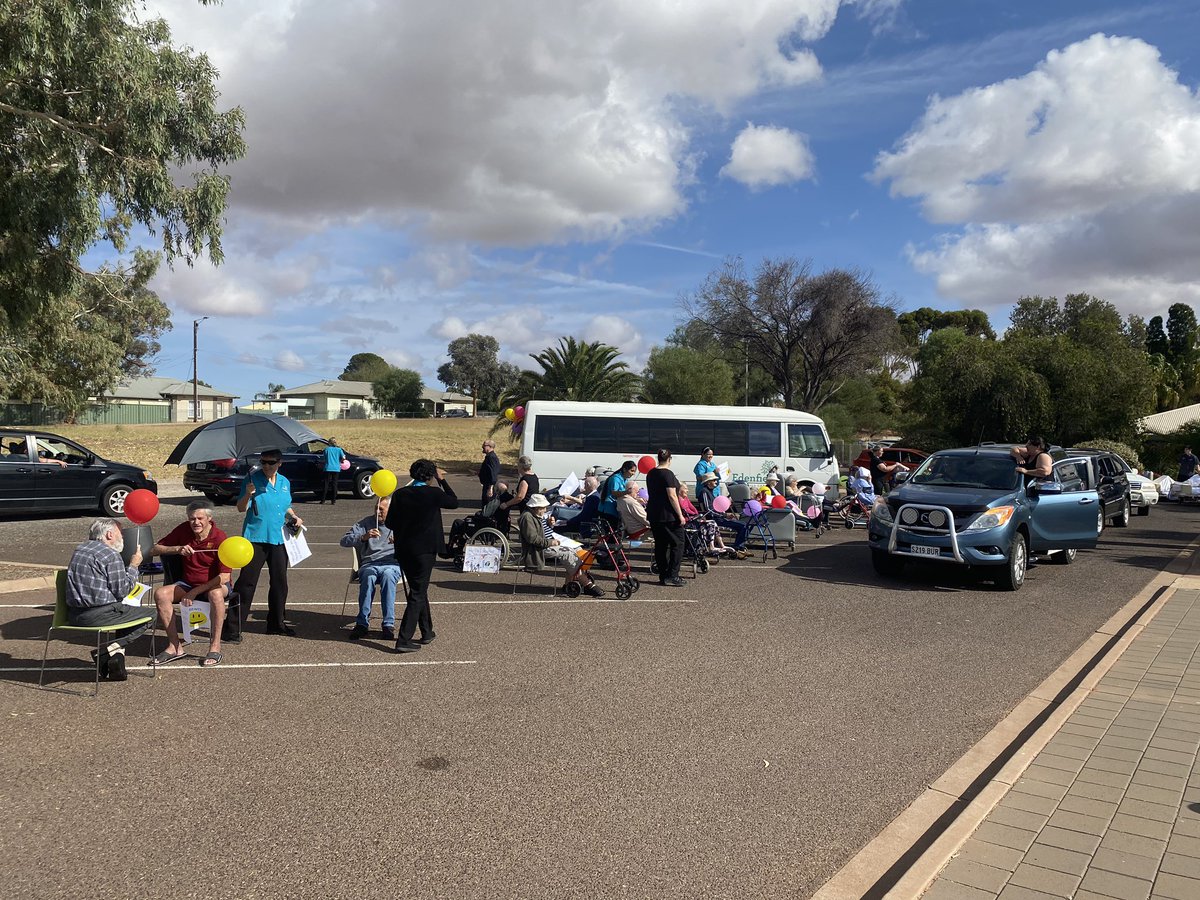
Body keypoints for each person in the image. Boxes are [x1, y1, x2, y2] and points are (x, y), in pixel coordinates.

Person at [64, 518, 153, 681]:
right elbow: (123, 591)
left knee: (125, 611)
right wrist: (134, 565)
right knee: (152, 614)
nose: (123, 537)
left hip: (73, 615)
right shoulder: (110, 555)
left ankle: (117, 660)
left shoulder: (80, 549)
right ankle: (110, 649)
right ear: (110, 534)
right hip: (99, 615)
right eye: (121, 533)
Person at [385, 459, 458, 653]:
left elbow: (390, 522)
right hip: (425, 550)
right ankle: (403, 639)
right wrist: (442, 481)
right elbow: (454, 502)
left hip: (404, 549)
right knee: (417, 593)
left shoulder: (400, 494)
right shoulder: (433, 493)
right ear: (430, 476)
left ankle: (427, 631)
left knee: (419, 589)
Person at [149, 500, 233, 667]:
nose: (196, 522)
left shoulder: (220, 537)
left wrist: (195, 592)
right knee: (161, 593)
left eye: (200, 518)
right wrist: (177, 549)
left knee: (215, 594)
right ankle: (175, 646)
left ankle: (215, 646)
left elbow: (224, 576)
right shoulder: (183, 529)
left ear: (209, 518)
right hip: (188, 582)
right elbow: (155, 549)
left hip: (214, 584)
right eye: (192, 519)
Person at [234, 449, 303, 636]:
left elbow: (285, 505)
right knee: (246, 584)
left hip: (278, 538)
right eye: (263, 462)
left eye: (271, 462)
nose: (266, 466)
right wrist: (248, 494)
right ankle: (233, 628)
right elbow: (241, 508)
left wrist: (294, 516)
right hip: (255, 538)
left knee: (280, 583)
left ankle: (276, 624)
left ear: (279, 463)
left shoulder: (284, 482)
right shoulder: (252, 480)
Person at [340, 494, 401, 640]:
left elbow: (414, 542)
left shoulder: (400, 523)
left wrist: (401, 541)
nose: (377, 512)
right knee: (368, 576)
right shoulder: (365, 523)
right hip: (370, 563)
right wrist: (363, 537)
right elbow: (344, 540)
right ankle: (362, 623)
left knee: (388, 576)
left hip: (391, 563)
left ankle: (388, 624)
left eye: (381, 509)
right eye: (376, 508)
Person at [518, 494, 604, 597]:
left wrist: (549, 524)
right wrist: (551, 542)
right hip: (538, 549)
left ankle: (569, 583)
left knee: (578, 549)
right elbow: (532, 539)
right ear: (536, 507)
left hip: (549, 542)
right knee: (568, 553)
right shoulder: (527, 518)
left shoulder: (535, 514)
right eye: (543, 508)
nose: (545, 510)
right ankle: (586, 583)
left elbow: (542, 530)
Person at [646, 449, 687, 587]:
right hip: (668, 515)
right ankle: (673, 575)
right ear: (670, 459)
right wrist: (680, 515)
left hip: (654, 514)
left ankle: (663, 575)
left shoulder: (651, 473)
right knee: (678, 543)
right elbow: (672, 495)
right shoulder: (668, 474)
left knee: (660, 545)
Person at [696, 471, 749, 558]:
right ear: (708, 482)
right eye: (714, 480)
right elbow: (708, 509)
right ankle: (738, 548)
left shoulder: (710, 492)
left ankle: (740, 547)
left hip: (719, 518)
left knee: (743, 525)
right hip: (714, 520)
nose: (716, 482)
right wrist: (725, 515)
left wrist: (725, 514)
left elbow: (716, 508)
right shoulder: (704, 492)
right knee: (743, 525)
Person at [598, 460, 638, 532]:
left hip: (615, 508)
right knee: (610, 532)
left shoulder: (625, 480)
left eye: (634, 471)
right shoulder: (615, 478)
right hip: (608, 509)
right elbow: (614, 493)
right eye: (632, 471)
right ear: (624, 469)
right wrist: (626, 492)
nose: (633, 473)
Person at [320, 438, 346, 504]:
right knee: (334, 484)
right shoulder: (339, 449)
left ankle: (323, 500)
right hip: (336, 468)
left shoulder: (327, 449)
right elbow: (343, 458)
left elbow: (324, 458)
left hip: (328, 468)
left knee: (326, 484)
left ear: (329, 443)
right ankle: (333, 500)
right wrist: (341, 461)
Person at [479, 439, 501, 507]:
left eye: (484, 445)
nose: (482, 447)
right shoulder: (489, 457)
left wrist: (490, 488)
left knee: (488, 506)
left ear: (490, 446)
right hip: (487, 485)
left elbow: (493, 472)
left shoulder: (492, 458)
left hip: (489, 486)